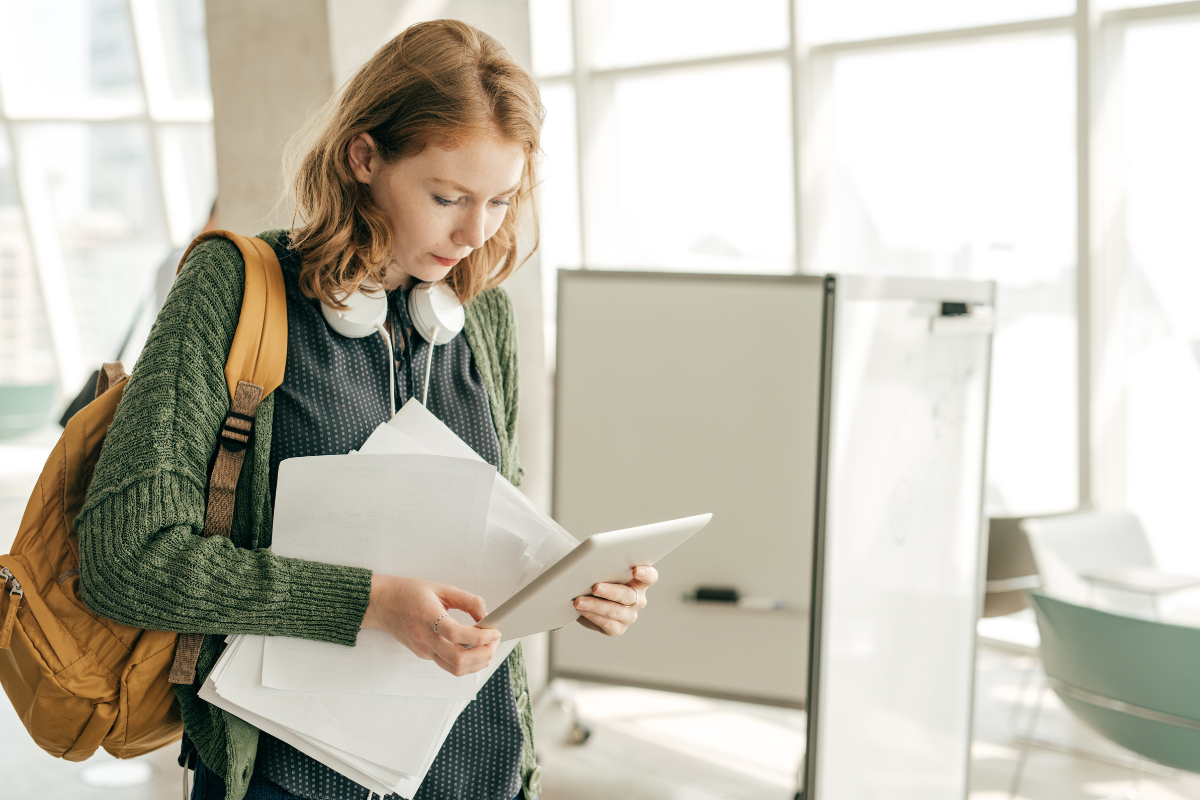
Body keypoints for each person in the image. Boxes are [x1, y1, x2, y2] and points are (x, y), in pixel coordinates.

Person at [74, 20, 659, 800]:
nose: (475, 232)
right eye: (447, 196)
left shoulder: (479, 319)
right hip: (286, 777)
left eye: (500, 201)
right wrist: (372, 604)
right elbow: (124, 559)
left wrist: (567, 588)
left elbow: (485, 544)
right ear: (364, 158)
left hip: (477, 769)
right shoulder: (236, 290)